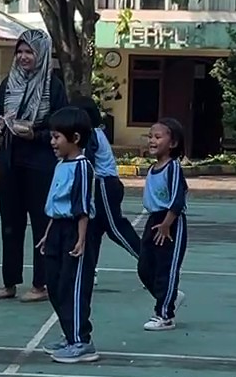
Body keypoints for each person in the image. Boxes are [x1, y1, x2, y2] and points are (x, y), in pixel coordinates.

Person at [0, 29, 68, 302]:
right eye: (20, 52)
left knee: (40, 223)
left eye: (29, 52)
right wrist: (0, 123)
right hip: (10, 160)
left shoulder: (53, 87)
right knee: (10, 223)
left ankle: (41, 284)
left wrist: (35, 134)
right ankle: (9, 282)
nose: (24, 57)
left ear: (42, 55)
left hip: (40, 162)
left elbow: (62, 127)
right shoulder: (8, 84)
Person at [40, 105, 102, 365]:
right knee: (54, 284)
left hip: (75, 230)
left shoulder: (82, 167)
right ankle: (69, 334)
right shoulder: (61, 164)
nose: (52, 142)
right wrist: (47, 233)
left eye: (57, 137)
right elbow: (56, 203)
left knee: (73, 286)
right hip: (57, 229)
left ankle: (82, 341)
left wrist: (81, 239)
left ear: (75, 138)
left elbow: (82, 207)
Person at [138, 117, 189, 332]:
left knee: (166, 270)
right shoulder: (152, 168)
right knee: (145, 268)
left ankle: (164, 315)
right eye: (150, 136)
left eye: (158, 137)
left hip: (171, 223)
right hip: (154, 221)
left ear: (173, 143)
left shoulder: (173, 168)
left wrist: (167, 224)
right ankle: (171, 296)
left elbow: (178, 200)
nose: (152, 140)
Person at [77, 97, 139, 260]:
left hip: (104, 184)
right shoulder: (95, 133)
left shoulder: (90, 135)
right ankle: (88, 271)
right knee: (92, 230)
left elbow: (87, 162)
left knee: (115, 227)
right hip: (102, 185)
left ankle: (150, 262)